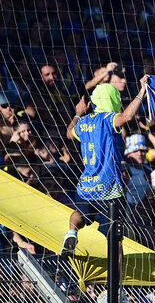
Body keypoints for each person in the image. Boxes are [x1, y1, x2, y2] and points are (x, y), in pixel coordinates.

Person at [61, 75, 150, 256]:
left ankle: (71, 233)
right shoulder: (108, 119)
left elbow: (69, 132)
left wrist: (78, 113)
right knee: (114, 236)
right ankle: (116, 272)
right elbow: (127, 116)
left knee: (79, 214)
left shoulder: (84, 122)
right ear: (113, 100)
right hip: (110, 188)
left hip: (87, 183)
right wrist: (142, 91)